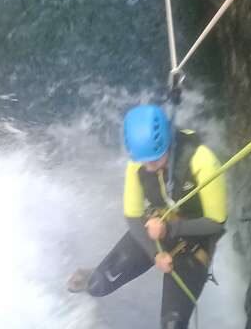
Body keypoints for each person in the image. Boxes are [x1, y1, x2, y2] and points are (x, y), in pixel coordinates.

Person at [68, 104, 227, 329]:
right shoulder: (138, 162)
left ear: (169, 143)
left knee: (173, 325)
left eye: (156, 159)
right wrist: (155, 254)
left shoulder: (201, 160)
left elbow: (217, 223)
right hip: (156, 229)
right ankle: (96, 272)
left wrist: (170, 230)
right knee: (98, 285)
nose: (150, 167)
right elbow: (133, 216)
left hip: (194, 241)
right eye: (145, 161)